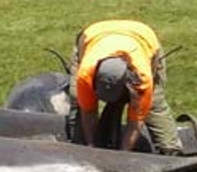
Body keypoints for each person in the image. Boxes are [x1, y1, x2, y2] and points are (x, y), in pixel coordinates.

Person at [68, 19, 181, 154]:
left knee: (153, 104)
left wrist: (124, 154)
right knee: (78, 99)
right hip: (93, 36)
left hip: (143, 38)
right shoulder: (85, 74)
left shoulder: (142, 78)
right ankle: (77, 145)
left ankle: (171, 150)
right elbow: (88, 112)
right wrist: (91, 146)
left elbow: (135, 123)